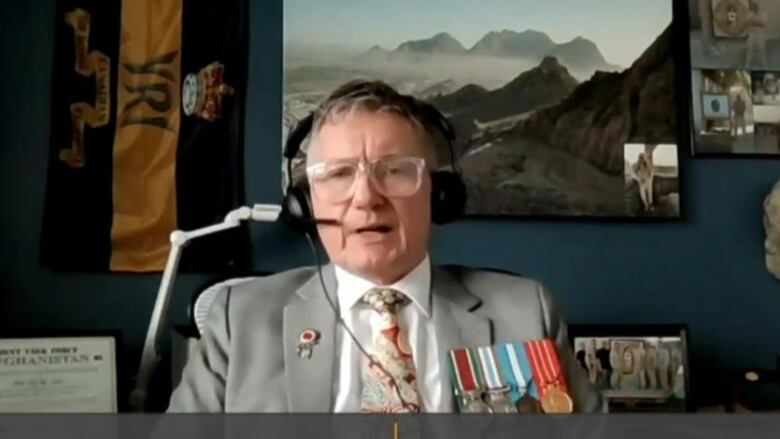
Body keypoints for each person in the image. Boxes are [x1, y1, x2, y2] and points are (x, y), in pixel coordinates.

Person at [166, 80, 603, 413]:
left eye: (394, 170)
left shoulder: (526, 313)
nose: (366, 197)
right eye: (338, 175)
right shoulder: (238, 319)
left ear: (437, 193)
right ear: (305, 203)